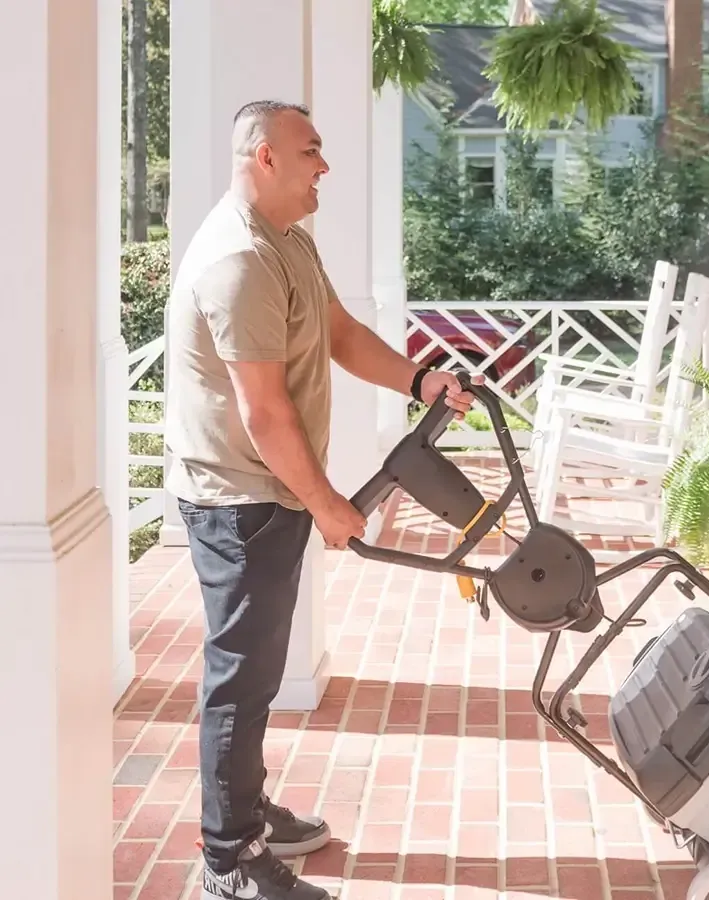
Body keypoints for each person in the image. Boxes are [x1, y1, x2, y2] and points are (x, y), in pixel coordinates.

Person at [164, 99, 479, 900]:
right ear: (264, 158)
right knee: (242, 674)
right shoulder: (238, 260)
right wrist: (327, 502)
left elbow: (336, 330)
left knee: (260, 668)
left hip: (265, 494)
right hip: (239, 499)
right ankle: (229, 858)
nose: (324, 167)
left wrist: (418, 379)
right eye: (311, 152)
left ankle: (246, 806)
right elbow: (263, 412)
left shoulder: (286, 241)